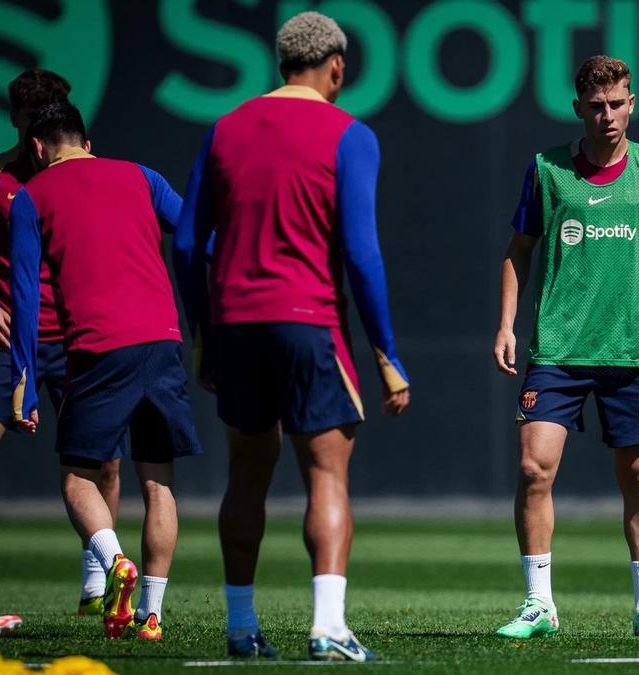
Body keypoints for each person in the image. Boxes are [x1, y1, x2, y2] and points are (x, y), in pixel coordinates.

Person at [176, 11, 410, 662]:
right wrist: (387, 352)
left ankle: (241, 624)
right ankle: (328, 626)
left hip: (237, 324)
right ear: (337, 67)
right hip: (308, 321)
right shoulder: (350, 134)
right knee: (326, 476)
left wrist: (203, 330)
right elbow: (362, 254)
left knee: (246, 473)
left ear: (281, 65)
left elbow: (191, 241)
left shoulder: (226, 128)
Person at [492, 55, 639, 640]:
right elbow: (518, 249)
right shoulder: (547, 170)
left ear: (632, 103)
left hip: (634, 351)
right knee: (532, 468)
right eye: (596, 106)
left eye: (617, 103)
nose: (607, 115)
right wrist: (506, 324)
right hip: (558, 349)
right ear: (579, 108)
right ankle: (538, 605)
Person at [9, 101, 200, 640]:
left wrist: (24, 378)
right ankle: (152, 616)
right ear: (87, 144)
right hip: (163, 342)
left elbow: (26, 297)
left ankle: (114, 563)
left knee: (77, 478)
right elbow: (191, 235)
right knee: (159, 483)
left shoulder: (30, 196)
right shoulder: (140, 176)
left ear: (39, 148)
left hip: (98, 348)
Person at [0, 69, 121, 619]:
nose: (37, 126)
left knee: (103, 464)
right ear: (16, 119)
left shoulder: (87, 173)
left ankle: (98, 580)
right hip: (3, 341)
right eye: (28, 116)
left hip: (74, 338)